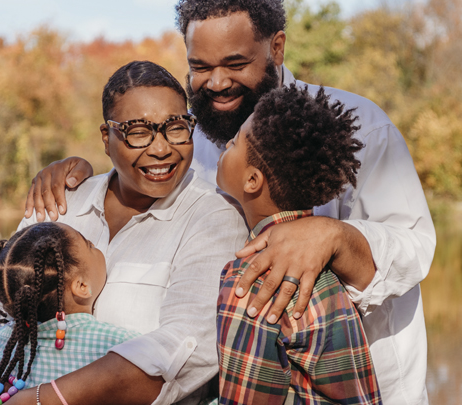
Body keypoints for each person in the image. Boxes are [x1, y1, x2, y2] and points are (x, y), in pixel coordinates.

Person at [25, 1, 437, 404]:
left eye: (235, 64)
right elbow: (140, 165)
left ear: (276, 48)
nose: (217, 83)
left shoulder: (362, 124)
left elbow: (416, 246)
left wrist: (333, 235)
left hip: (381, 385)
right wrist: (82, 173)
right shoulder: (193, 137)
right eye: (200, 67)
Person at [0, 61, 248, 405]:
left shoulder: (214, 217)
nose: (162, 148)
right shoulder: (60, 200)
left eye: (176, 128)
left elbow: (185, 348)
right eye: (138, 131)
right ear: (107, 138)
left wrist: (40, 400)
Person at [216, 84, 382, 404]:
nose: (225, 144)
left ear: (252, 180)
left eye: (234, 142)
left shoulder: (252, 277)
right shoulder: (328, 266)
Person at [0, 221, 139, 404]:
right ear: (81, 286)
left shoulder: (0, 342)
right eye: (89, 245)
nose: (96, 247)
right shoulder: (118, 344)